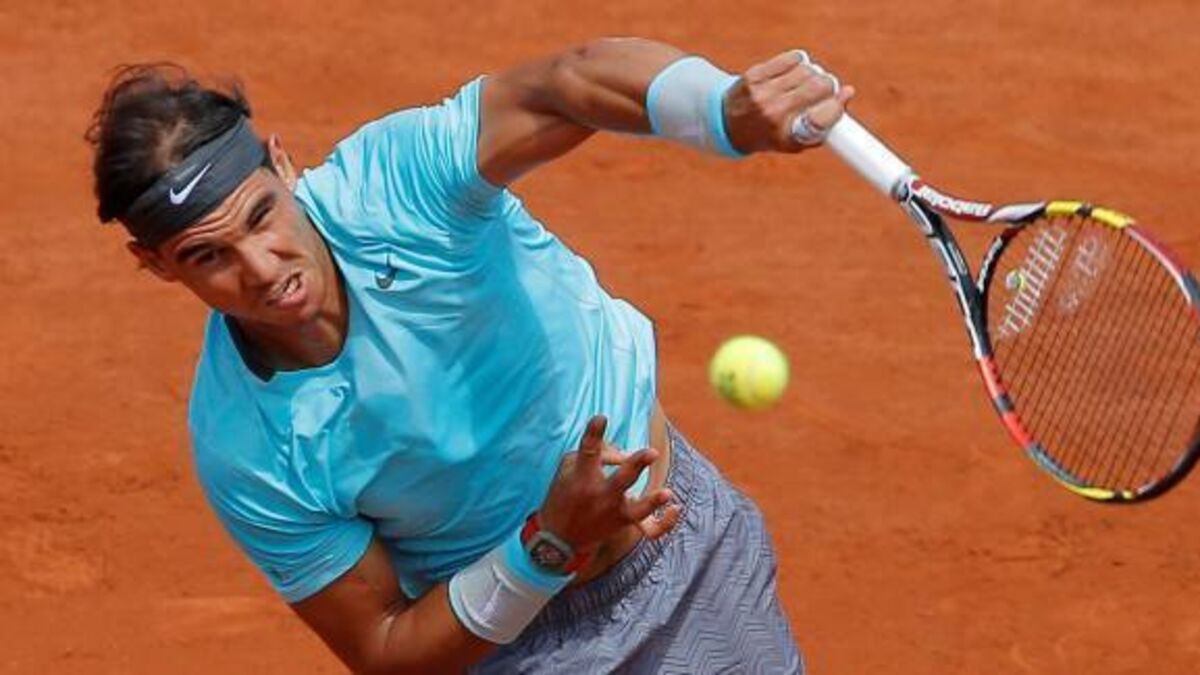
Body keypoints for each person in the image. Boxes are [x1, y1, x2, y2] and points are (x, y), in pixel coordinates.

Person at [87, 38, 852, 673]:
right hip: (522, 653)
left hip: (693, 558)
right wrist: (548, 544)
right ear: (155, 264)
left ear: (284, 166)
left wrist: (719, 110)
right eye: (208, 255)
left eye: (261, 216)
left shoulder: (394, 188)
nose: (261, 268)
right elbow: (384, 645)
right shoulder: (245, 445)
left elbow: (564, 85)